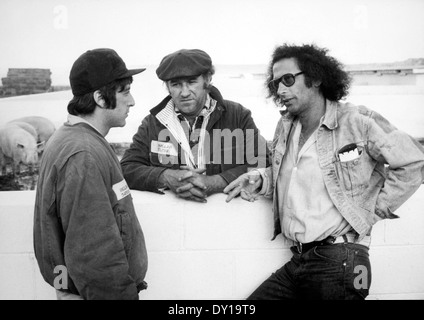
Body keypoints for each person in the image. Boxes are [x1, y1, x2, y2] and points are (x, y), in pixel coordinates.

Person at [224, 43, 424, 300]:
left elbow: (414, 161)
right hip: (299, 259)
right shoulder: (286, 127)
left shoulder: (356, 121)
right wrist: (259, 178)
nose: (281, 90)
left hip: (340, 260)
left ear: (316, 78)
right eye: (276, 84)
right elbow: (292, 178)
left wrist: (371, 211)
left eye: (287, 79)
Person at [33, 48, 148, 300]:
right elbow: (95, 252)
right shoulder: (83, 154)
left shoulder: (71, 138)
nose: (132, 101)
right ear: (100, 97)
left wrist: (62, 289)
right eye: (125, 91)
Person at [121, 49, 269, 202]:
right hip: (175, 222)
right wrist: (167, 176)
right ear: (167, 86)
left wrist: (215, 182)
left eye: (191, 82)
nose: (184, 93)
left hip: (226, 220)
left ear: (208, 79)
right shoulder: (153, 123)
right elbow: (127, 168)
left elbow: (263, 162)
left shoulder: (238, 115)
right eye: (176, 84)